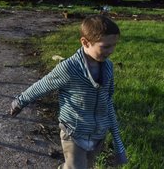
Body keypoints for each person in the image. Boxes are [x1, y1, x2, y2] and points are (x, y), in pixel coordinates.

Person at [10, 15, 127, 168]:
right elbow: (43, 85)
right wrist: (20, 101)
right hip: (74, 133)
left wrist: (118, 144)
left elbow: (108, 101)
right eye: (105, 46)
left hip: (98, 134)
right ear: (85, 42)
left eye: (113, 45)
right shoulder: (69, 68)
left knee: (86, 166)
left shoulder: (108, 67)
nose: (111, 51)